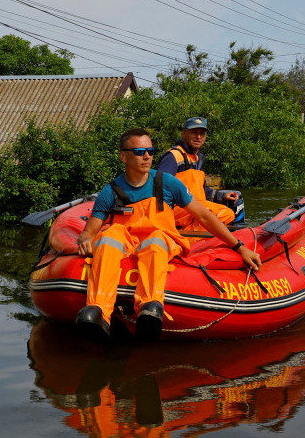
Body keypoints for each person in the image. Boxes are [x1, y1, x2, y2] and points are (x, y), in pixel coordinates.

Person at [75, 128, 261, 342]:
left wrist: (239, 247)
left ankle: (150, 307)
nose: (147, 156)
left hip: (159, 238)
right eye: (139, 151)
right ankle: (98, 312)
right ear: (123, 156)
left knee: (155, 242)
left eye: (150, 151)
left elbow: (204, 217)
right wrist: (86, 240)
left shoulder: (168, 184)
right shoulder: (111, 191)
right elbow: (89, 231)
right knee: (107, 238)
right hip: (128, 242)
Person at [156, 117, 241, 232]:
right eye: (194, 133)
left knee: (229, 212)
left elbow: (200, 189)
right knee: (213, 215)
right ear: (184, 134)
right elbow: (160, 188)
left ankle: (227, 235)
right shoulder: (173, 156)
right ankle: (192, 239)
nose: (198, 137)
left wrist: (220, 196)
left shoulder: (198, 158)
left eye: (202, 133)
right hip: (179, 209)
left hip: (196, 206)